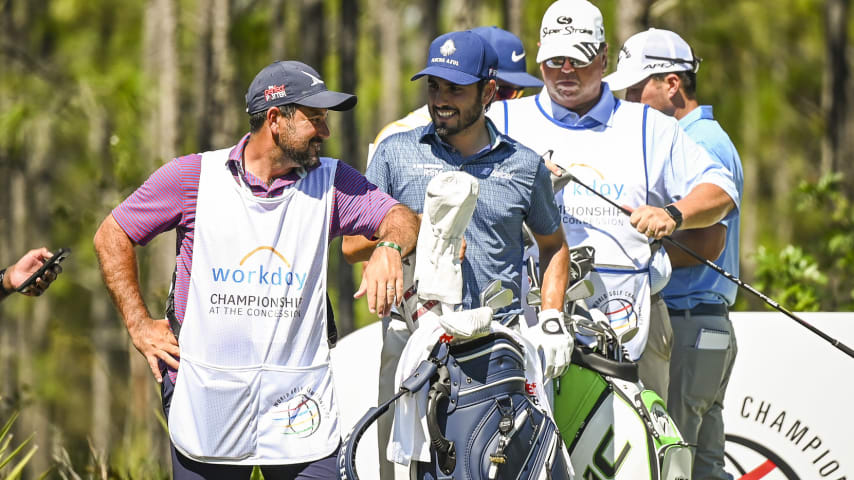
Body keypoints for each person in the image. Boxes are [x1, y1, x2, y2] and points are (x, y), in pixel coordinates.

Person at [93, 60, 419, 479]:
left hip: (300, 403)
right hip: (209, 398)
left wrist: (389, 247)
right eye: (314, 119)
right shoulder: (195, 177)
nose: (326, 132)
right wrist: (139, 325)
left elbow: (401, 217)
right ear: (274, 119)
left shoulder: (332, 181)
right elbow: (112, 234)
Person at [342, 30, 572, 478]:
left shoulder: (523, 166)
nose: (441, 99)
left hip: (496, 349)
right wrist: (420, 231)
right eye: (434, 86)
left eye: (455, 89)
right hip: (411, 341)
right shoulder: (395, 153)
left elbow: (554, 245)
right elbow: (352, 245)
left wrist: (551, 316)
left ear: (488, 91)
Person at [486, 0, 739, 401]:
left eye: (579, 59)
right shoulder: (501, 119)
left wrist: (673, 214)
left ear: (603, 57)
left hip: (631, 324)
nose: (565, 70)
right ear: (539, 54)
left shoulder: (648, 125)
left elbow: (721, 191)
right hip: (523, 324)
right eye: (555, 59)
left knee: (644, 456)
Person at [605, 28, 743, 480]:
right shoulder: (703, 135)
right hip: (704, 324)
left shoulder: (695, 142)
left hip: (686, 325)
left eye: (635, 86)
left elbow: (709, 242)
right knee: (702, 469)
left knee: (670, 465)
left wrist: (631, 252)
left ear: (672, 84)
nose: (626, 98)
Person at [365, 26, 544, 164]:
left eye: (509, 93)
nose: (500, 104)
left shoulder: (525, 150)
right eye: (436, 85)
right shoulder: (398, 137)